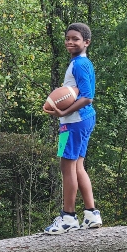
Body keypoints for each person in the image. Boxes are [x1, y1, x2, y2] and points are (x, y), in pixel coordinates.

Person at [43, 22, 102, 235]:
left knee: (67, 167)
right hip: (83, 120)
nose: (70, 42)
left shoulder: (79, 64)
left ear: (86, 42)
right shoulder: (81, 63)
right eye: (68, 38)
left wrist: (62, 113)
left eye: (75, 39)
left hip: (73, 122)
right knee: (78, 166)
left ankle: (68, 217)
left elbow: (87, 96)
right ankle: (91, 214)